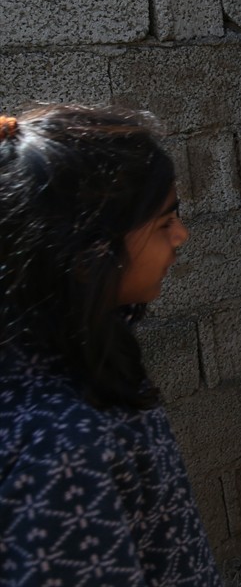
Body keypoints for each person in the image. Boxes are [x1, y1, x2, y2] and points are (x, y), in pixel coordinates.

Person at [0, 105, 221, 586]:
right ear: (87, 254)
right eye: (164, 223)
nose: (181, 236)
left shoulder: (78, 344)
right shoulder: (62, 451)